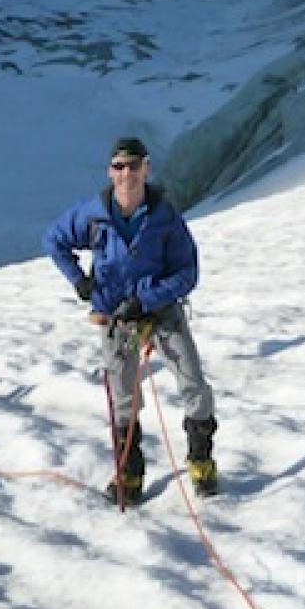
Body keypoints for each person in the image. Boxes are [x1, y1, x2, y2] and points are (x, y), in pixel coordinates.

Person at [43, 135, 220, 504]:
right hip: (114, 317)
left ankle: (201, 461)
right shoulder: (93, 215)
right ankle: (130, 472)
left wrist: (146, 300)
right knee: (123, 399)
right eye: (119, 166)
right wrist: (79, 280)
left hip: (161, 312)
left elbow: (186, 272)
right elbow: (54, 239)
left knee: (194, 385)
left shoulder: (164, 217)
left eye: (134, 165)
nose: (127, 174)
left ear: (146, 169)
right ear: (110, 171)